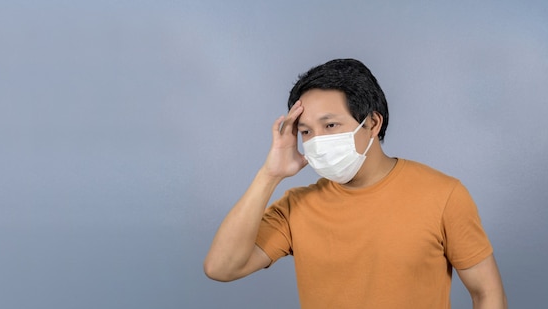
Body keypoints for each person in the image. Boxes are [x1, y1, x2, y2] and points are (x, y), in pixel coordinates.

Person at [204, 58, 507, 308]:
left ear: (373, 123)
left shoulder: (443, 195)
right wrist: (269, 175)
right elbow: (221, 267)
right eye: (306, 131)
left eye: (331, 125)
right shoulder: (296, 207)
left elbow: (486, 293)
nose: (317, 140)